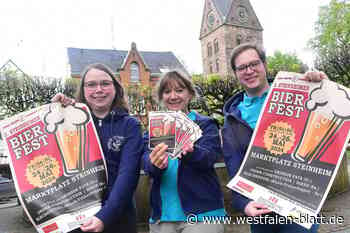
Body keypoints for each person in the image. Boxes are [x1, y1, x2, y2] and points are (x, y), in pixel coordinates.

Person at [222, 43, 327, 233]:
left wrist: (321, 86)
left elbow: (326, 119)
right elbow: (233, 165)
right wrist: (243, 204)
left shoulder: (295, 94)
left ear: (265, 65)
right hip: (260, 209)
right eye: (242, 67)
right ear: (235, 73)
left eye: (254, 63)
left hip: (298, 204)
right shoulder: (232, 118)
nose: (249, 70)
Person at [52, 63, 143, 233]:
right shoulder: (70, 122)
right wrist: (54, 111)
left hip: (118, 217)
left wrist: (105, 216)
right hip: (76, 219)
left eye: (105, 83)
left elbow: (128, 174)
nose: (98, 89)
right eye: (91, 84)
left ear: (115, 88)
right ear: (83, 90)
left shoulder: (130, 125)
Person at [143, 70, 225, 233]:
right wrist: (155, 163)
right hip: (164, 215)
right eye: (167, 91)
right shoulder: (155, 127)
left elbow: (210, 157)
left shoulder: (206, 124)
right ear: (161, 97)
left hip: (202, 213)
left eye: (179, 90)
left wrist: (192, 152)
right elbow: (146, 163)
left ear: (189, 94)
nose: (173, 96)